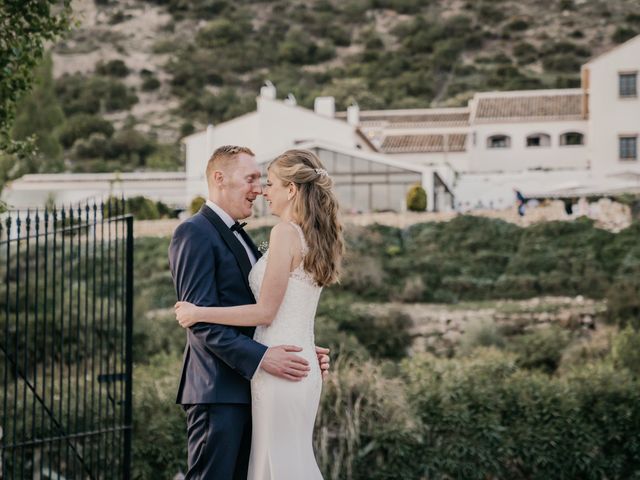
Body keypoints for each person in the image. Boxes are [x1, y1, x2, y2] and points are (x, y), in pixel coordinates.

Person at [175, 149, 343, 480]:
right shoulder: (194, 232)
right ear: (219, 179)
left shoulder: (264, 236)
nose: (259, 189)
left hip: (263, 378)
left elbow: (269, 308)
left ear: (291, 189)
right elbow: (204, 326)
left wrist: (296, 348)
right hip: (219, 388)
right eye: (251, 179)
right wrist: (266, 355)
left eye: (266, 181)